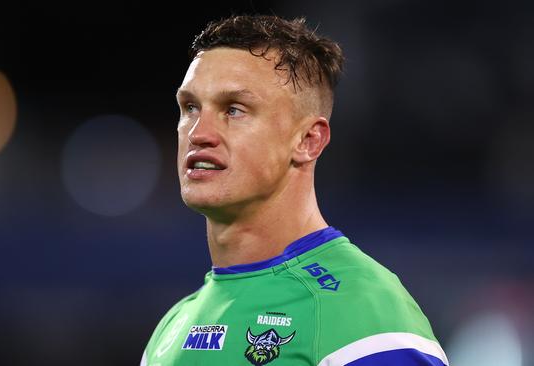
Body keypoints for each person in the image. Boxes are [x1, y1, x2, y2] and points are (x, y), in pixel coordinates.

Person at [141, 14, 448, 366]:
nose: (198, 132)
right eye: (190, 107)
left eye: (234, 109)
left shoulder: (360, 313)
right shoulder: (171, 330)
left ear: (308, 140)